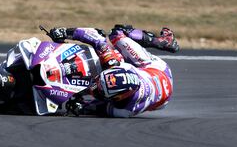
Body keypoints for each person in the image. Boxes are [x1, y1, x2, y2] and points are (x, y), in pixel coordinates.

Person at [48, 24, 179, 117]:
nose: (94, 88)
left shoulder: (125, 109)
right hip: (157, 69)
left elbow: (97, 108)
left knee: (86, 104)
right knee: (118, 33)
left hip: (161, 99)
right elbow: (97, 38)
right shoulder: (117, 65)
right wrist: (65, 32)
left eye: (99, 90)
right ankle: (163, 42)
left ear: (119, 98)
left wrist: (81, 107)